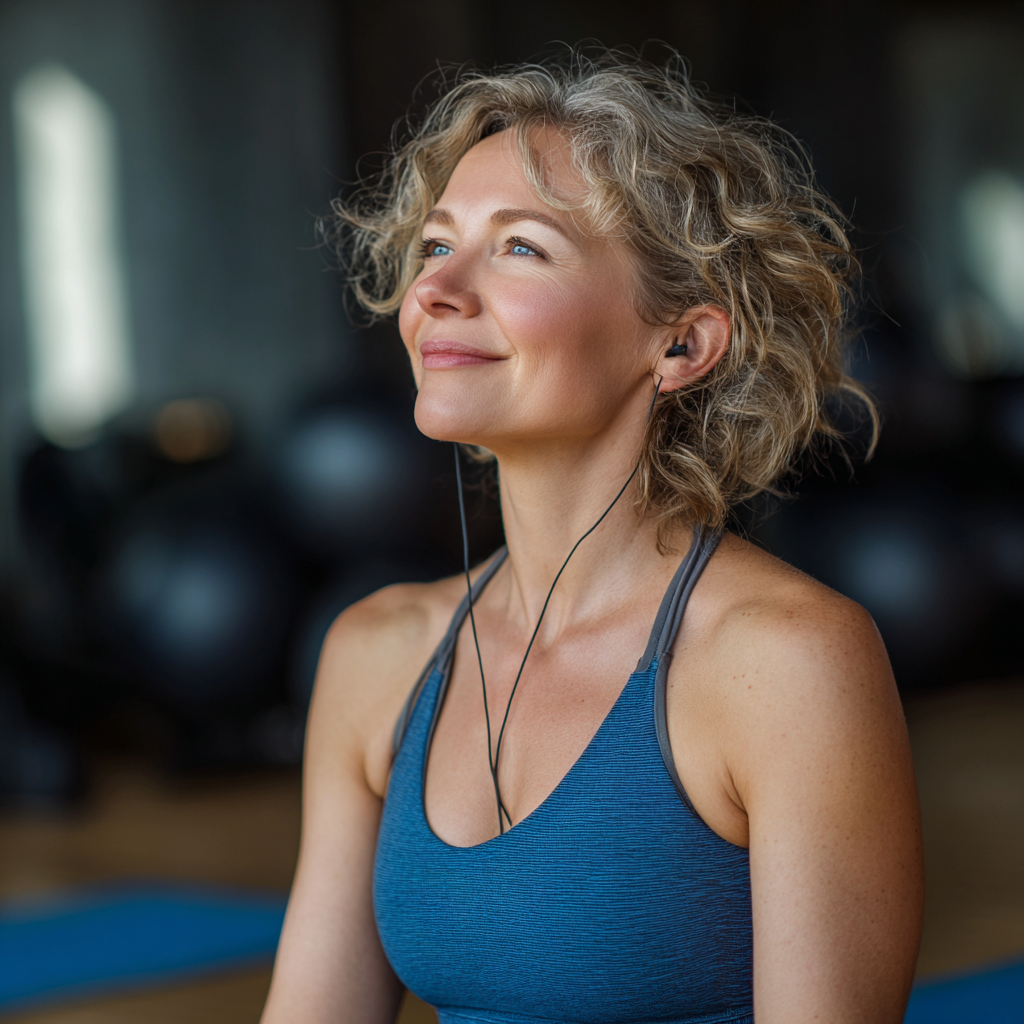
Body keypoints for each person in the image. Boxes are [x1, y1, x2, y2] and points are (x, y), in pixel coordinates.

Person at [261, 50, 923, 1024]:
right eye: (438, 246)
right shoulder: (377, 653)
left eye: (521, 247)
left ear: (680, 344)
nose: (439, 290)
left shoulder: (785, 662)